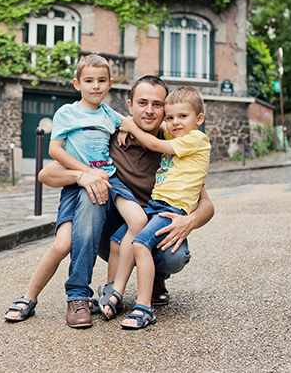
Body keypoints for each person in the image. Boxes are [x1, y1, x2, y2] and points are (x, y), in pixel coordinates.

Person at [37, 76, 214, 328]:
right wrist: (82, 175)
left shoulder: (175, 147)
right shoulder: (108, 139)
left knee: (172, 255)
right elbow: (46, 174)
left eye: (157, 104)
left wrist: (190, 221)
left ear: (166, 110)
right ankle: (81, 294)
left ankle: (154, 279)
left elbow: (206, 204)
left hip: (153, 228)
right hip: (112, 233)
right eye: (142, 103)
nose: (150, 110)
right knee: (92, 192)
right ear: (130, 107)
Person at [4, 54, 147, 328]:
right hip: (77, 183)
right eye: (89, 80)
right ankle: (31, 297)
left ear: (110, 84)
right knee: (61, 245)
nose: (96, 86)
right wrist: (83, 173)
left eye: (102, 81)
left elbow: (136, 125)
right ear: (77, 84)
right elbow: (54, 151)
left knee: (135, 219)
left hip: (107, 180)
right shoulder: (66, 113)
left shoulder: (109, 116)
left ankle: (107, 290)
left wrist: (176, 129)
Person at [99, 86, 211, 329]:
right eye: (170, 117)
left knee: (140, 243)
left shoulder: (195, 140)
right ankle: (113, 292)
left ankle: (143, 307)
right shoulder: (175, 134)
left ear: (199, 119)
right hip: (154, 206)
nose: (174, 123)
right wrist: (128, 123)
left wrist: (130, 127)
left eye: (182, 117)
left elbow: (153, 143)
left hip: (172, 209)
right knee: (119, 240)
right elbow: (156, 128)